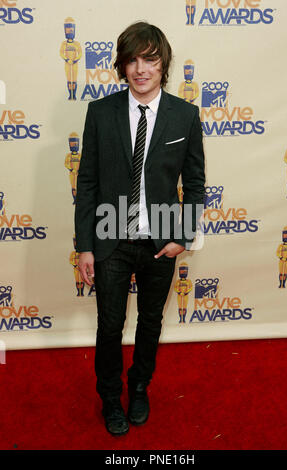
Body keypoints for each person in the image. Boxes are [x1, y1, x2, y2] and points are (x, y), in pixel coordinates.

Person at [75, 21, 205, 436]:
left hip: (159, 243)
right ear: (122, 65)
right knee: (109, 327)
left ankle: (140, 386)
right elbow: (88, 183)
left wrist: (181, 237)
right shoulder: (100, 112)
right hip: (110, 241)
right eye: (132, 59)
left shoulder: (185, 116)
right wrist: (85, 247)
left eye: (149, 58)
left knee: (151, 324)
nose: (140, 68)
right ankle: (110, 397)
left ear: (163, 63)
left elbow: (196, 182)